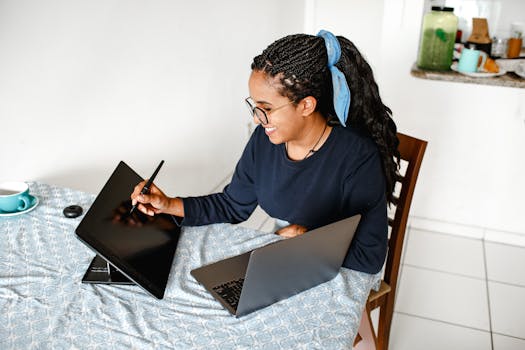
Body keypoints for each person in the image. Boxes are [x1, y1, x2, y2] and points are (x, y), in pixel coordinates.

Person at [130, 30, 399, 274]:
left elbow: (369, 257)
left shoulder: (357, 157)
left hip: (342, 265)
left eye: (267, 109)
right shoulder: (265, 140)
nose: (258, 120)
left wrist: (309, 240)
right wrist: (168, 204)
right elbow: (232, 205)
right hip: (288, 247)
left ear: (306, 105)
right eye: (254, 107)